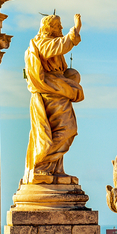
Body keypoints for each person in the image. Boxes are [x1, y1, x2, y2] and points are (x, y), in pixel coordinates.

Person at [23, 13, 83, 184]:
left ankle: (53, 169)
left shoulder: (47, 44)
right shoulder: (43, 44)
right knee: (66, 129)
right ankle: (41, 165)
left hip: (59, 90)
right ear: (50, 28)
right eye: (59, 26)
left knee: (59, 130)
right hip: (52, 92)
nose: (61, 29)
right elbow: (63, 44)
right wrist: (76, 29)